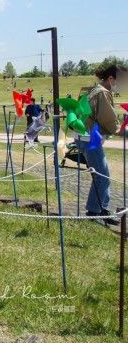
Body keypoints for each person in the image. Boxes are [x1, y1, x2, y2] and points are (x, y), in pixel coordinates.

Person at [79, 64, 126, 226]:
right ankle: (94, 212)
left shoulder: (95, 90)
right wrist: (122, 130)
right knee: (102, 176)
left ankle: (102, 209)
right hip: (89, 137)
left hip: (86, 136)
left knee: (102, 175)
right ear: (111, 79)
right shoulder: (102, 93)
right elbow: (110, 121)